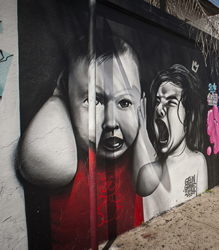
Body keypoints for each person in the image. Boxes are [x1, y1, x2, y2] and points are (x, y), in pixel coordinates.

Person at [18, 34, 155, 249]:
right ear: (66, 93)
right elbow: (48, 166)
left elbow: (148, 183)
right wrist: (58, 97)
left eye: (125, 102)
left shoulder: (136, 153)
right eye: (93, 100)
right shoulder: (64, 147)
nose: (111, 122)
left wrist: (140, 125)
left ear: (140, 106)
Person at [136, 64, 208, 221]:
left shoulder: (198, 161)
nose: (159, 108)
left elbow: (200, 210)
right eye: (157, 101)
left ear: (190, 117)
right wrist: (142, 137)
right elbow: (145, 181)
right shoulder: (149, 171)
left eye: (170, 102)